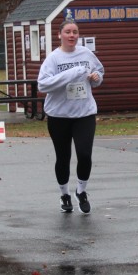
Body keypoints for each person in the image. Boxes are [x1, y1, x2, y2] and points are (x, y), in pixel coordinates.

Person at [37, 19, 105, 214]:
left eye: (75, 32)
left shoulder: (86, 54)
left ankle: (81, 192)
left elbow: (99, 72)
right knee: (63, 157)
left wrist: (96, 78)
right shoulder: (53, 58)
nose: (72, 35)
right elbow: (43, 85)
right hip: (59, 115)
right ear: (59, 35)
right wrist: (72, 73)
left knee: (84, 154)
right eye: (67, 32)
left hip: (84, 113)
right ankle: (64, 195)